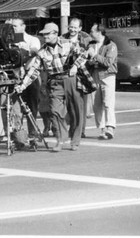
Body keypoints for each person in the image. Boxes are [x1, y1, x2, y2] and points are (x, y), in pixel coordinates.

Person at [14, 22, 91, 152]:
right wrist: (22, 86)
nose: (45, 37)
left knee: (76, 111)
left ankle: (75, 140)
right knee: (55, 111)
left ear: (55, 33)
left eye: (47, 34)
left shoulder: (68, 43)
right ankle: (61, 139)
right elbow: (34, 70)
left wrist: (75, 66)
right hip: (55, 82)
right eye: (43, 35)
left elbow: (84, 54)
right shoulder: (42, 51)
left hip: (71, 79)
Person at [62, 18, 92, 138]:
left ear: (80, 29)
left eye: (75, 27)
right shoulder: (62, 38)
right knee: (69, 103)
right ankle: (72, 128)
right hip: (66, 74)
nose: (72, 29)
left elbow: (90, 53)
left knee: (81, 104)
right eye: (71, 27)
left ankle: (81, 130)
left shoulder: (86, 39)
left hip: (81, 74)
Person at [87, 23, 118, 139]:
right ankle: (102, 128)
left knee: (108, 102)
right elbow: (88, 60)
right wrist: (89, 61)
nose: (90, 34)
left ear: (99, 32)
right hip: (95, 75)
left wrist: (94, 55)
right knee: (96, 104)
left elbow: (108, 62)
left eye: (92, 31)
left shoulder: (110, 45)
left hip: (107, 75)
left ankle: (110, 127)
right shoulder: (91, 44)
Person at [11, 18, 41, 137]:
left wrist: (23, 52)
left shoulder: (32, 40)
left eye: (15, 26)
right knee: (16, 108)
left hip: (30, 77)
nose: (13, 29)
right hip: (16, 76)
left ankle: (33, 133)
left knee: (32, 106)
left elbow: (34, 51)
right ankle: (19, 136)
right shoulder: (10, 41)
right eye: (12, 26)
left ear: (23, 27)